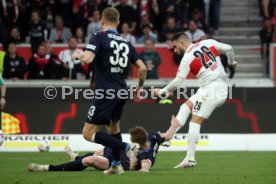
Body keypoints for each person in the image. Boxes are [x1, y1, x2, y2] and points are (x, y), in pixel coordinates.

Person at [73, 7, 147, 174]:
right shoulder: (127, 42)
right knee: (113, 129)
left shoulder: (98, 37)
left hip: (106, 91)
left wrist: (78, 55)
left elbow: (88, 58)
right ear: (118, 22)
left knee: (88, 133)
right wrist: (139, 88)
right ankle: (115, 164)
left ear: (102, 21)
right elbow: (142, 69)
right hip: (122, 90)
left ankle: (127, 146)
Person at [153, 32, 237, 168]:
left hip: (212, 90)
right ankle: (169, 136)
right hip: (213, 87)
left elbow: (177, 82)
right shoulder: (208, 42)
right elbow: (229, 49)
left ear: (181, 43)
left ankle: (190, 158)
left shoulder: (187, 57)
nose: (175, 50)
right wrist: (231, 62)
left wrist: (162, 91)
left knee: (195, 122)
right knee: (185, 107)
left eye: (174, 47)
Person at [27, 116, 177, 173]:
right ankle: (76, 158)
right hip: (116, 153)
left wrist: (143, 169)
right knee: (103, 149)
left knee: (89, 160)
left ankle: (47, 168)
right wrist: (174, 124)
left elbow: (145, 165)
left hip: (115, 163)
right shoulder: (154, 136)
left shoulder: (145, 155)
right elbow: (168, 135)